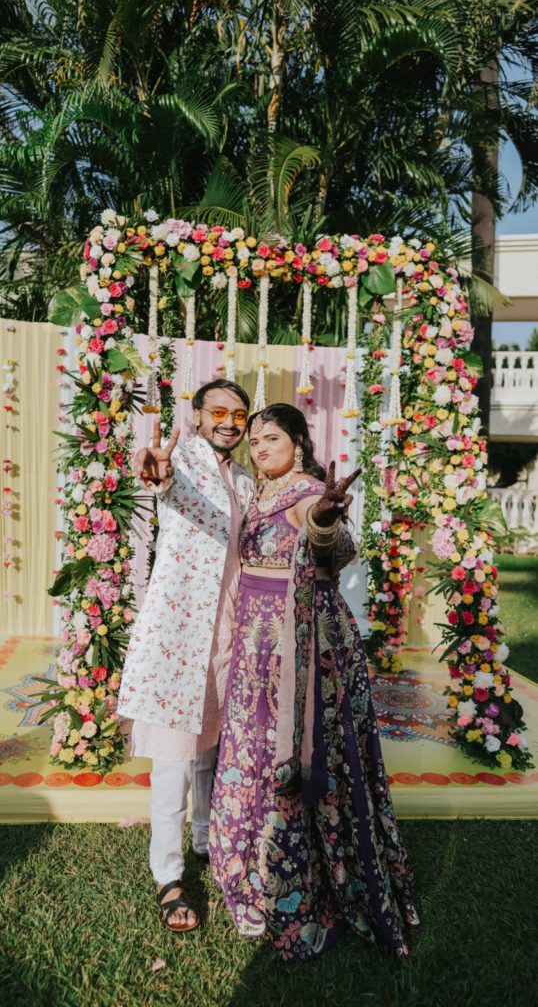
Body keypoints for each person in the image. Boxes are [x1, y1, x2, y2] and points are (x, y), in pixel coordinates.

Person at [209, 403, 419, 961]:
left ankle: (300, 885)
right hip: (256, 643)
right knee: (251, 753)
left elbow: (334, 548)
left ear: (299, 442)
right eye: (254, 440)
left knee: (297, 755)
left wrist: (326, 517)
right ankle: (246, 868)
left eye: (271, 438)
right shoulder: (258, 492)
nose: (259, 447)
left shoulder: (305, 494)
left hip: (298, 646)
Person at [118, 379, 256, 932]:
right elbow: (158, 476)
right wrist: (152, 466)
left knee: (211, 742)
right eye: (217, 411)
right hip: (179, 630)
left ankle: (204, 840)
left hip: (227, 629)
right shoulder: (185, 461)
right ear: (196, 416)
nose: (228, 421)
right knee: (175, 754)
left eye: (239, 414)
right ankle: (169, 875)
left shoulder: (244, 480)